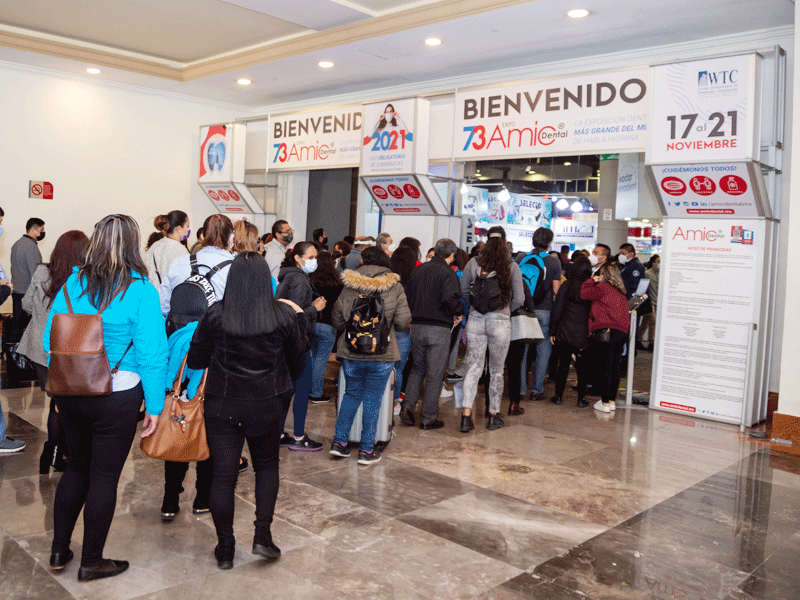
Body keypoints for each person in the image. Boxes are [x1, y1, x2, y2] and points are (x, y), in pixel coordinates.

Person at [44, 214, 168, 582]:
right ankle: (91, 561)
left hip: (71, 391)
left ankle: (59, 549)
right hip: (117, 394)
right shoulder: (141, 290)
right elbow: (152, 353)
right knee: (104, 476)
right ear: (133, 245)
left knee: (76, 468)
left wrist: (59, 386)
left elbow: (52, 339)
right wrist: (155, 405)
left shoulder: (72, 283)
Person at [187, 252, 307, 569]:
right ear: (265, 280)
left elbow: (196, 359)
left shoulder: (215, 315)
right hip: (268, 403)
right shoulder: (283, 316)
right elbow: (298, 363)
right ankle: (262, 536)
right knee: (266, 467)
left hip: (223, 404)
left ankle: (225, 547)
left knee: (223, 475)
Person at [157, 213, 235, 521]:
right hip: (216, 355)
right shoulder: (233, 267)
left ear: (201, 235)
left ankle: (170, 498)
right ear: (230, 238)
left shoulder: (181, 263)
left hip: (179, 353)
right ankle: (203, 496)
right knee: (209, 421)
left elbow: (164, 306)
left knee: (179, 414)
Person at [330, 247, 411, 464]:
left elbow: (337, 320)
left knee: (351, 395)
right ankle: (366, 450)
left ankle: (339, 442)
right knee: (373, 400)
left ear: (362, 261)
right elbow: (403, 321)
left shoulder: (349, 285)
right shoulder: (394, 286)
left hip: (352, 350)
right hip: (382, 352)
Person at [19, 230, 90, 472]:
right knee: (67, 403)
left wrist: (41, 315)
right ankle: (62, 452)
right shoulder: (83, 279)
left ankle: (52, 454)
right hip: (69, 351)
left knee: (56, 401)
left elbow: (26, 304)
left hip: (41, 350)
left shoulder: (41, 271)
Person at [460, 226, 524, 431]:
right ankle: (494, 416)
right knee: (496, 370)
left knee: (474, 368)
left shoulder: (473, 262)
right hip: (500, 322)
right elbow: (519, 298)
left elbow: (463, 290)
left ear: (487, 241)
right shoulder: (512, 265)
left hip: (476, 319)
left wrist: (475, 306)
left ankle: (466, 416)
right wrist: (504, 310)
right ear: (504, 242)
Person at [399, 238, 463, 430]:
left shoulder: (418, 271)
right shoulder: (448, 274)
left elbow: (408, 297)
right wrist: (458, 311)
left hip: (417, 326)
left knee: (417, 368)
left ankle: (407, 407)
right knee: (435, 374)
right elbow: (451, 299)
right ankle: (428, 417)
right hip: (438, 328)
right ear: (451, 255)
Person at [276, 242, 325, 451]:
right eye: (310, 257)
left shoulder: (287, 276)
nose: (314, 261)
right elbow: (295, 314)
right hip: (297, 342)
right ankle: (298, 436)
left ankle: (279, 433)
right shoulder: (299, 280)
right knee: (303, 388)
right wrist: (314, 308)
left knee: (289, 389)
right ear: (297, 258)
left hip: (286, 341)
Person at [509, 227, 562, 403]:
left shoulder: (520, 258)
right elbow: (556, 290)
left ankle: (521, 388)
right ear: (549, 243)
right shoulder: (554, 262)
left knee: (522, 350)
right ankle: (537, 390)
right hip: (544, 310)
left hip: (524, 309)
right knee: (543, 350)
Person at [581, 263, 630, 413]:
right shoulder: (621, 291)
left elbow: (584, 293)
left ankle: (604, 403)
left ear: (604, 275)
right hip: (622, 332)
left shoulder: (603, 287)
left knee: (605, 368)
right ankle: (611, 401)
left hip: (607, 332)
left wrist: (591, 280)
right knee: (615, 367)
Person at [549, 255, 592, 407]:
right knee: (582, 367)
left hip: (564, 330)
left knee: (563, 365)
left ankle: (558, 396)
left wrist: (552, 331)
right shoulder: (589, 287)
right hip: (582, 332)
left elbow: (557, 309)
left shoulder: (566, 285)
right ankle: (581, 399)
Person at [308, 251, 343, 404]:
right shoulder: (338, 284)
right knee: (321, 360)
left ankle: (310, 389)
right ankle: (316, 394)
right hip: (329, 325)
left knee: (314, 357)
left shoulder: (310, 281)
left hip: (311, 323)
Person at [389, 246, 418, 414]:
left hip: (385, 328)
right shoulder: (414, 280)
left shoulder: (388, 280)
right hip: (404, 329)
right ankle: (395, 403)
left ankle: (384, 400)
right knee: (398, 368)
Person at [10, 217, 45, 344]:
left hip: (15, 290)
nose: (43, 232)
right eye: (41, 229)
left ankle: (13, 350)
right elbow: (36, 273)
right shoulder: (31, 246)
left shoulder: (16, 244)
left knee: (16, 325)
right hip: (27, 293)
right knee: (26, 328)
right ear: (34, 230)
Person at [144, 211, 190, 288]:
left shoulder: (155, 246)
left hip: (152, 293)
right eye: (187, 226)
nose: (188, 230)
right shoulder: (180, 250)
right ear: (179, 228)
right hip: (172, 294)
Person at [637, 254, 660, 351]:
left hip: (659, 301)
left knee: (646, 322)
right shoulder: (647, 274)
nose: (659, 263)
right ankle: (651, 343)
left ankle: (638, 339)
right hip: (650, 302)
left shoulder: (662, 274)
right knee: (653, 322)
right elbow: (643, 288)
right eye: (658, 261)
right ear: (653, 263)